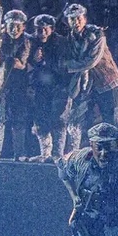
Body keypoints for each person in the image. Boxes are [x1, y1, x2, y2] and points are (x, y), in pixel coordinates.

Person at [61, 4, 118, 151]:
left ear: (85, 19)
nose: (76, 22)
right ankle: (76, 152)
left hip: (106, 81)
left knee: (110, 120)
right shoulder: (70, 37)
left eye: (78, 18)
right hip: (86, 84)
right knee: (77, 119)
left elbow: (91, 61)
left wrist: (68, 65)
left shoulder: (97, 34)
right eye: (72, 19)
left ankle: (112, 151)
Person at [0, 9, 32, 159]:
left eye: (18, 26)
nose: (14, 30)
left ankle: (19, 153)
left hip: (18, 86)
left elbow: (23, 62)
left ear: (23, 27)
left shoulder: (26, 40)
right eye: (11, 26)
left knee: (18, 120)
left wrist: (13, 62)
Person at [25, 14, 69, 162]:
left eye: (45, 29)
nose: (42, 32)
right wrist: (34, 60)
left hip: (58, 86)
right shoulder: (31, 41)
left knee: (58, 119)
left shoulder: (61, 42)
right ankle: (45, 153)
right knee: (40, 118)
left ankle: (58, 154)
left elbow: (63, 66)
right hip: (40, 87)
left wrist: (45, 61)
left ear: (52, 29)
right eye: (39, 29)